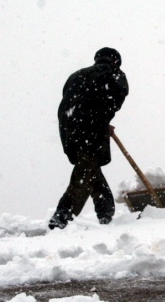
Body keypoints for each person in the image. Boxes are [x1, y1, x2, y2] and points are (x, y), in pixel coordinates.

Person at [49, 47, 129, 230]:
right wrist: (103, 120)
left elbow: (73, 102)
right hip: (91, 129)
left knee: (89, 168)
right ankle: (62, 217)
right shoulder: (113, 73)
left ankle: (106, 211)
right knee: (84, 174)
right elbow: (112, 101)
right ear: (115, 61)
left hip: (69, 129)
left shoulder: (77, 75)